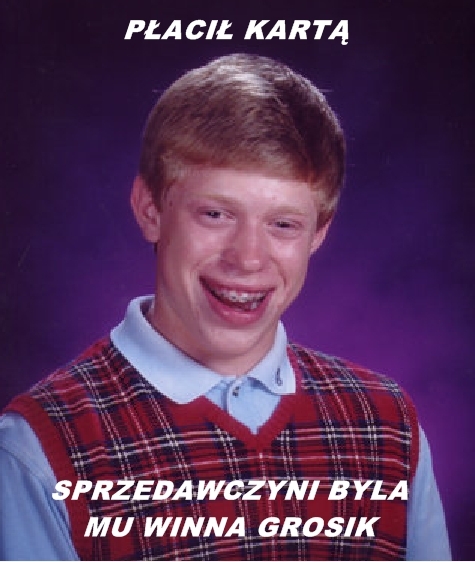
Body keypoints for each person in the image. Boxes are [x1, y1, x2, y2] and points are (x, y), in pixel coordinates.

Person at [0, 53, 451, 561]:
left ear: (318, 233)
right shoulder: (39, 448)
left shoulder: (387, 427)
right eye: (215, 214)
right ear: (150, 210)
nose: (248, 258)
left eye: (283, 224)